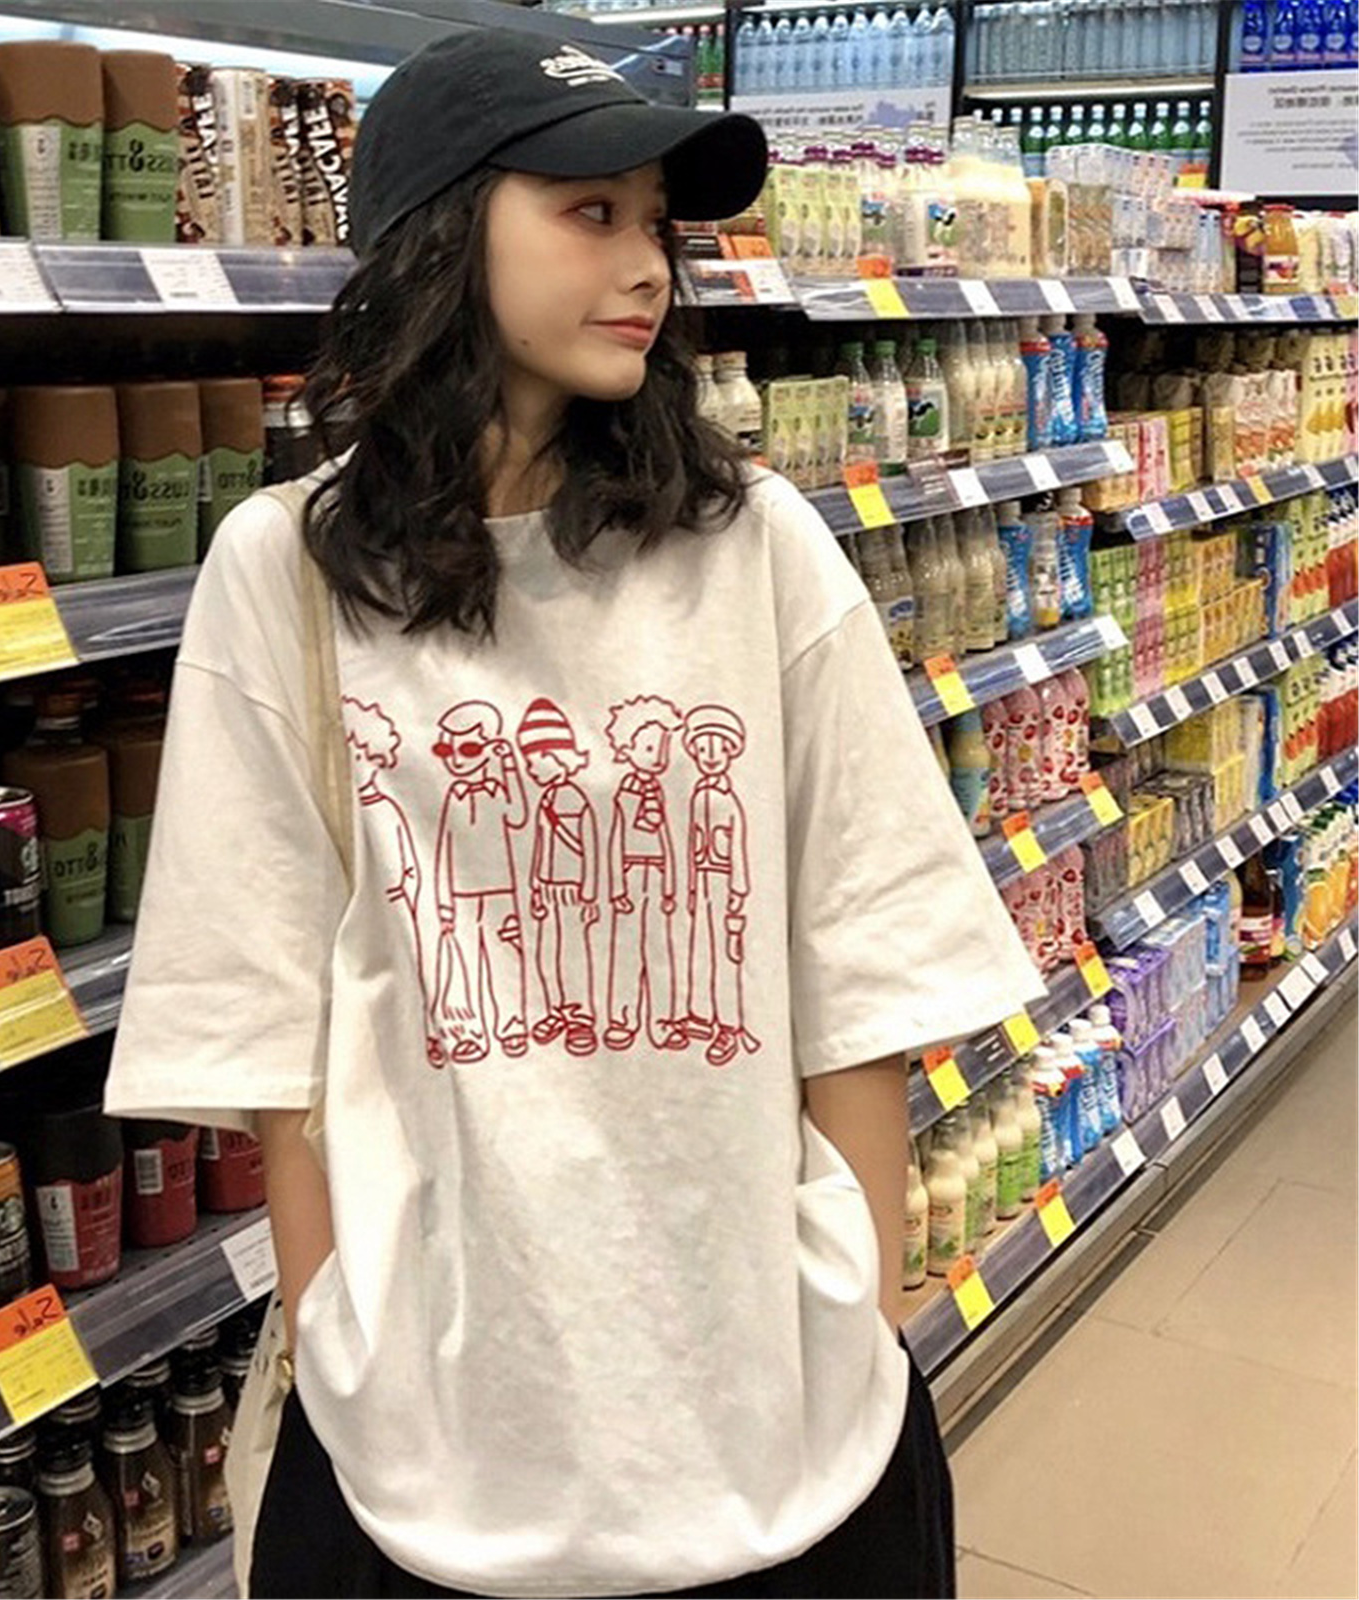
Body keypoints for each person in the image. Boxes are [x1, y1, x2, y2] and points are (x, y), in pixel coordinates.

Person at [103, 25, 1046, 1600]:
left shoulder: (755, 550)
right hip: (437, 1442)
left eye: (655, 222)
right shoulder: (291, 574)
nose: (647, 265)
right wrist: (339, 1326)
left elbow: (865, 955)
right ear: (438, 238)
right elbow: (268, 1011)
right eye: (588, 212)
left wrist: (858, 1303)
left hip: (778, 1420)